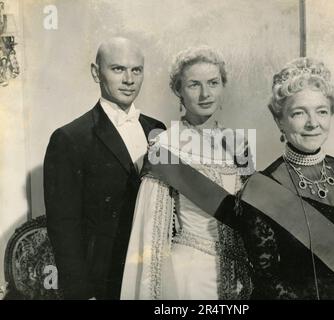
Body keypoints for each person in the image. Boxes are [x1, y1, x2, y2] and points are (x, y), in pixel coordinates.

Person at [218, 57, 334, 299]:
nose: (313, 123)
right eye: (299, 113)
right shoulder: (263, 189)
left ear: (331, 114)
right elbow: (268, 279)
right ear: (279, 120)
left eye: (321, 111)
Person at [120, 46, 252, 300]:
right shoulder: (165, 147)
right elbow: (152, 234)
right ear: (178, 91)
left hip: (238, 280)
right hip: (189, 279)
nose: (205, 94)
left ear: (223, 87)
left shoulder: (240, 144)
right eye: (193, 85)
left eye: (213, 83)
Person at [44, 37, 166, 300]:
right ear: (95, 72)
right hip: (103, 279)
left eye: (136, 70)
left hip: (154, 273)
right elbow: (63, 227)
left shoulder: (158, 129)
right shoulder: (69, 138)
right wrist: (82, 294)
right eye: (118, 69)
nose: (129, 79)